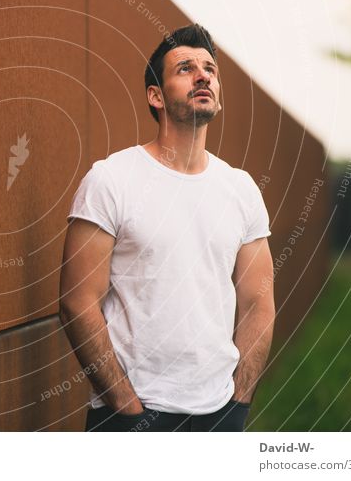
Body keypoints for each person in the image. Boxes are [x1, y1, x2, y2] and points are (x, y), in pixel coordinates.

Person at [59, 24, 275, 432]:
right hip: (128, 414)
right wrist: (126, 407)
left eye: (210, 69)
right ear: (155, 96)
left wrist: (238, 405)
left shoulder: (241, 189)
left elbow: (258, 303)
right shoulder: (112, 180)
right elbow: (76, 301)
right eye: (185, 68)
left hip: (218, 415)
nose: (203, 75)